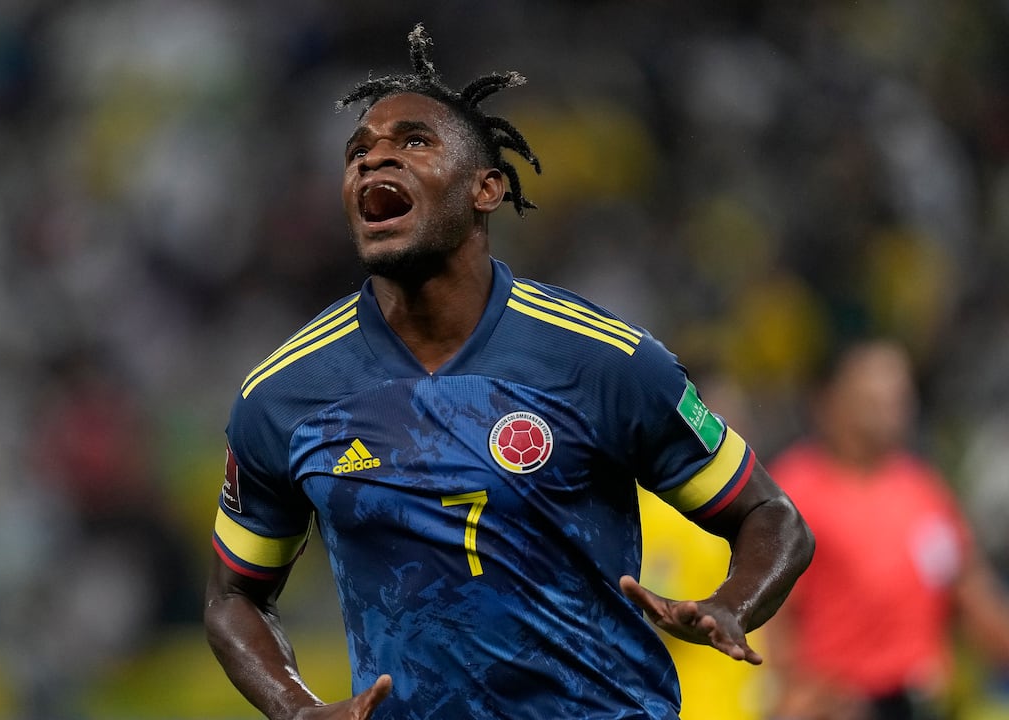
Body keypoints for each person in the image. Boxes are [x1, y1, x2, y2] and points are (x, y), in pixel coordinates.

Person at [204, 24, 814, 720]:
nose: (374, 163)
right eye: (357, 154)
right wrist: (297, 708)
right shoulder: (283, 394)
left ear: (485, 189)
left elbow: (771, 515)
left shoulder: (604, 360)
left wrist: (731, 605)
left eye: (413, 143)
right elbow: (233, 595)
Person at [766, 339, 1009, 720]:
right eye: (873, 392)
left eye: (899, 392)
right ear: (828, 401)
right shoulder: (794, 491)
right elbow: (767, 618)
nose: (892, 404)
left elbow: (974, 599)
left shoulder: (925, 491)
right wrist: (798, 694)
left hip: (922, 702)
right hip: (840, 704)